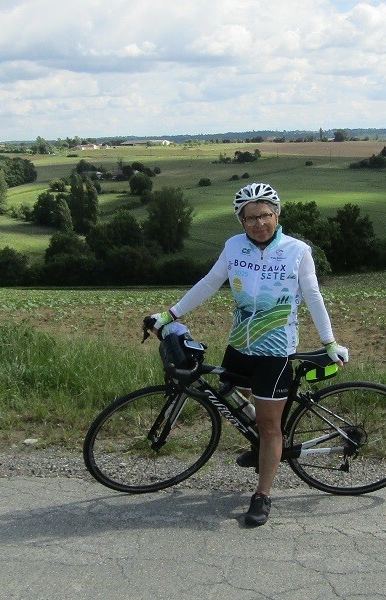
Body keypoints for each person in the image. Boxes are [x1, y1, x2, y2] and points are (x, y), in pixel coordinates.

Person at [147, 182, 348, 527]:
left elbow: (313, 296)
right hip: (240, 345)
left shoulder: (297, 250)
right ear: (241, 221)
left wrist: (329, 342)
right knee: (231, 396)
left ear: (277, 215)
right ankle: (263, 446)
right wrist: (170, 314)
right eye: (250, 218)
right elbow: (210, 283)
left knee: (269, 426)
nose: (259, 223)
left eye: (265, 215)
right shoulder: (234, 246)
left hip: (275, 351)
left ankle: (263, 494)